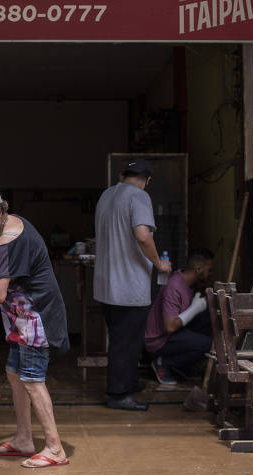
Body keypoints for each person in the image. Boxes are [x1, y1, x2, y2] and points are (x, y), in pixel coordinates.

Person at [0, 182, 70, 469]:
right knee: (14, 373)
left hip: (35, 318)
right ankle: (23, 439)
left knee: (32, 380)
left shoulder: (5, 243)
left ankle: (55, 449)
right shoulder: (12, 223)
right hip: (22, 318)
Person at [94, 159, 172, 411]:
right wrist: (159, 263)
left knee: (121, 336)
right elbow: (142, 234)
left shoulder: (106, 195)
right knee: (125, 341)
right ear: (147, 181)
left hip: (106, 285)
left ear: (122, 175)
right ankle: (118, 395)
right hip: (128, 286)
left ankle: (128, 381)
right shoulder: (139, 197)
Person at [144, 248, 215, 385]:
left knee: (208, 321)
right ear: (198, 269)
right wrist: (196, 308)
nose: (211, 274)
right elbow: (170, 327)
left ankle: (182, 365)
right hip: (158, 341)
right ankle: (163, 362)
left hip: (173, 333)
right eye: (209, 270)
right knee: (210, 344)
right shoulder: (174, 287)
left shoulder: (187, 283)